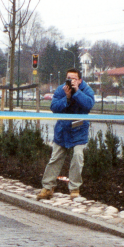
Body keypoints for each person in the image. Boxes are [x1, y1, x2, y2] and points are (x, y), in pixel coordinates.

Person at [37, 68, 95, 200]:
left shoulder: (87, 90)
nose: (71, 81)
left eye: (74, 78)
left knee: (78, 157)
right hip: (62, 130)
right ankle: (47, 187)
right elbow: (54, 107)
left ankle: (74, 189)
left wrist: (76, 93)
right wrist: (67, 98)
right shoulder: (60, 90)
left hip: (79, 130)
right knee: (55, 158)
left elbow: (88, 105)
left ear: (80, 80)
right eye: (69, 78)